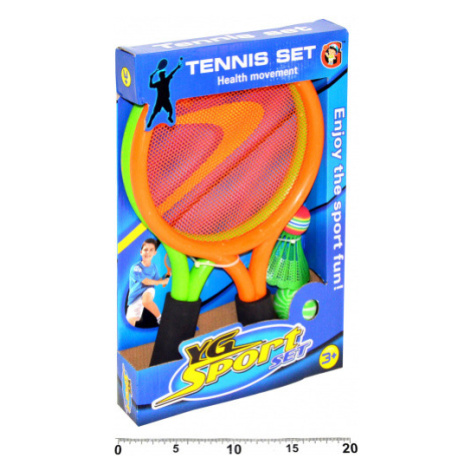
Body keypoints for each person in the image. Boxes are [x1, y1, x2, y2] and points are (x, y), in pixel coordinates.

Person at [126, 239, 169, 326]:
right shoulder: (136, 267)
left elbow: (159, 281)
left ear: (155, 253)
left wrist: (166, 276)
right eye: (145, 250)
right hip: (135, 297)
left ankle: (160, 318)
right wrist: (162, 281)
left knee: (146, 301)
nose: (148, 252)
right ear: (141, 252)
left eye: (151, 250)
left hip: (148, 290)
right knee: (130, 323)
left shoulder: (154, 267)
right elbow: (145, 281)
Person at [147, 57, 183, 128]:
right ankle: (150, 122)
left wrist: (177, 67)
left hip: (166, 99)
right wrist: (151, 78)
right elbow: (151, 85)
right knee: (155, 112)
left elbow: (172, 73)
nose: (164, 75)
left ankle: (169, 117)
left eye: (164, 74)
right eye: (163, 75)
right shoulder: (160, 83)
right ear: (160, 76)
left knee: (171, 110)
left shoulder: (166, 80)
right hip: (160, 100)